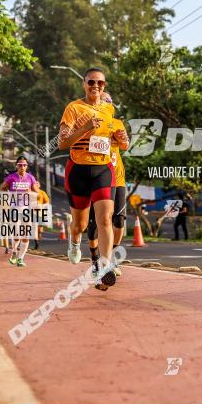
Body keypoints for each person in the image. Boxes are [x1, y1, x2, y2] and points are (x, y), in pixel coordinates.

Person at [58, 67, 126, 291]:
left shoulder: (109, 109)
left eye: (100, 83)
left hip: (102, 170)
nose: (96, 86)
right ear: (84, 84)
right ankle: (74, 241)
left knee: (105, 219)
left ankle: (104, 267)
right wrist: (86, 128)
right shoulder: (73, 108)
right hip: (78, 170)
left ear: (104, 86)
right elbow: (62, 143)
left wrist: (119, 138)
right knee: (80, 224)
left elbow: (116, 141)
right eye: (91, 82)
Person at [87, 93, 128, 278]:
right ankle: (96, 258)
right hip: (96, 178)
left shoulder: (118, 123)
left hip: (117, 179)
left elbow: (126, 145)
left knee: (118, 221)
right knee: (96, 223)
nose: (106, 104)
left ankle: (110, 257)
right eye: (102, 101)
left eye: (109, 101)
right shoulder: (91, 121)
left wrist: (121, 138)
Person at [1, 155, 37, 267]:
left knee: (26, 235)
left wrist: (29, 193)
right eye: (20, 165)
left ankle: (20, 259)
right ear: (16, 166)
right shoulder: (11, 177)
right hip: (14, 209)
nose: (22, 167)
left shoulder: (30, 178)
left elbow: (37, 193)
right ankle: (14, 252)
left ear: (27, 166)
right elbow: (2, 189)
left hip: (26, 209)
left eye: (24, 165)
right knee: (17, 233)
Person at [31, 181, 49, 250]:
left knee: (40, 228)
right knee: (35, 226)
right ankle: (36, 242)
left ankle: (39, 234)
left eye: (38, 183)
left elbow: (47, 202)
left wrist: (41, 206)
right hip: (33, 212)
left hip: (41, 213)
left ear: (40, 185)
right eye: (35, 183)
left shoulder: (42, 192)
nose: (36, 184)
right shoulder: (31, 192)